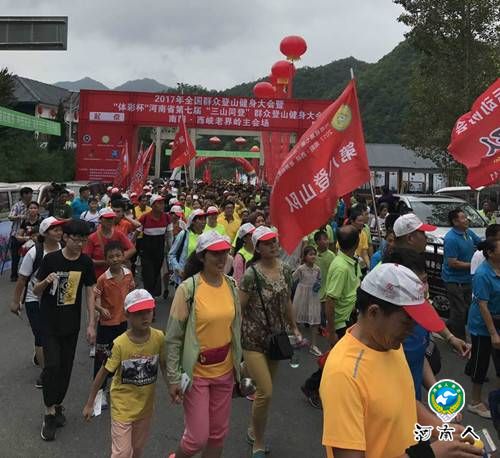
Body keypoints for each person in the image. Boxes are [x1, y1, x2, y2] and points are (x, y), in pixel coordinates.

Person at [320, 263, 482, 458]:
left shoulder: (390, 344)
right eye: (406, 322)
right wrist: (430, 454)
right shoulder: (343, 374)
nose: (411, 331)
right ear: (374, 312)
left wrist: (442, 429)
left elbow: (403, 401)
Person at [166, 231, 242, 458]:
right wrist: (172, 378)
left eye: (225, 253)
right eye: (215, 254)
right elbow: (173, 338)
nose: (221, 259)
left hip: (225, 371)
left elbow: (235, 329)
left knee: (218, 435)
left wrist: (241, 363)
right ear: (202, 256)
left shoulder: (231, 285)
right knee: (196, 439)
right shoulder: (187, 289)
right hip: (197, 373)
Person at [239, 226, 301, 458]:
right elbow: (240, 309)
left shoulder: (286, 270)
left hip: (276, 339)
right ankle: (259, 441)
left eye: (274, 241)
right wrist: (235, 342)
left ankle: (251, 427)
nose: (273, 246)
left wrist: (294, 326)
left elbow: (286, 302)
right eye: (267, 243)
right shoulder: (250, 274)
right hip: (253, 339)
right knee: (265, 391)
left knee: (263, 389)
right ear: (257, 248)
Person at [33, 219, 97, 442]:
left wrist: (91, 323)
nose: (79, 244)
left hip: (71, 324)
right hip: (49, 323)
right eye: (76, 239)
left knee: (66, 369)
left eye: (83, 240)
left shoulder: (86, 263)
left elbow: (90, 290)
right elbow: (36, 288)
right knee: (52, 366)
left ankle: (58, 405)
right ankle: (49, 412)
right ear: (65, 238)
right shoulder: (51, 259)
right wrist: (46, 281)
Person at [83, 289, 166, 458]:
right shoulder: (120, 344)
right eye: (138, 313)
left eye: (148, 311)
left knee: (137, 449)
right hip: (123, 407)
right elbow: (103, 372)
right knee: (122, 452)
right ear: (127, 315)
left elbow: (164, 364)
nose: (145, 317)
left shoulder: (159, 338)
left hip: (145, 407)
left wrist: (173, 386)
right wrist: (90, 402)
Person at [10, 217, 64, 388]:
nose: (59, 233)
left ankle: (41, 356)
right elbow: (22, 280)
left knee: (53, 333)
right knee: (40, 336)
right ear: (45, 232)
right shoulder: (35, 252)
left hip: (55, 299)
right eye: (55, 230)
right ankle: (45, 372)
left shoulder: (63, 249)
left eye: (60, 230)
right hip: (34, 299)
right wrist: (15, 301)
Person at [92, 241, 135, 410]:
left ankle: (115, 386)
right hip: (106, 324)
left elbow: (131, 294)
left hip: (122, 322)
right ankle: (99, 391)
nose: (115, 259)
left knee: (119, 354)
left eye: (118, 255)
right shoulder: (103, 279)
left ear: (123, 256)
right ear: (106, 259)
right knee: (102, 357)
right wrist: (101, 308)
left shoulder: (128, 274)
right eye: (111, 257)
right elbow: (95, 299)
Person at [466, 237, 500, 418]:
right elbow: (482, 306)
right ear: (490, 253)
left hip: (498, 320)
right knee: (481, 362)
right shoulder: (482, 274)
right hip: (483, 325)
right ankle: (475, 402)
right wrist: (493, 333)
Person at [442, 208, 482, 340]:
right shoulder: (451, 239)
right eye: (463, 218)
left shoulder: (468, 232)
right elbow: (453, 263)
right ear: (455, 221)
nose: (467, 220)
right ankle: (459, 340)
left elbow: (481, 244)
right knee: (459, 310)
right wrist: (473, 265)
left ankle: (447, 327)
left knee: (466, 308)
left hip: (467, 279)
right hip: (454, 280)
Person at [326, 225, 362, 346]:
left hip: (351, 318)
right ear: (357, 243)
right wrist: (331, 333)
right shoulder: (341, 268)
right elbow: (330, 300)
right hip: (341, 324)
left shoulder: (352, 260)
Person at [84, 208, 136, 279]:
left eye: (112, 218)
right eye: (107, 218)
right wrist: (105, 262)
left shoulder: (119, 234)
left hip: (117, 275)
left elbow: (132, 249)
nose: (110, 221)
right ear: (100, 220)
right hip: (99, 276)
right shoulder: (92, 238)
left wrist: (118, 259)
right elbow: (87, 259)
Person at [293, 246, 322, 356]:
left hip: (313, 296)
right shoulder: (301, 269)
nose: (313, 256)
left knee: (314, 320)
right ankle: (297, 340)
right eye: (310, 254)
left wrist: (317, 286)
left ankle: (313, 345)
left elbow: (319, 280)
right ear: (305, 257)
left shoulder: (318, 269)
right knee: (298, 319)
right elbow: (292, 279)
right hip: (301, 295)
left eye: (314, 254)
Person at [139, 195, 168, 297]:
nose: (162, 205)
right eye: (159, 203)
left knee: (155, 275)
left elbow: (169, 236)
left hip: (159, 253)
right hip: (146, 253)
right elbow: (136, 234)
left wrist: (169, 249)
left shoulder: (166, 217)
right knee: (148, 276)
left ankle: (152, 295)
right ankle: (149, 299)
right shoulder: (145, 218)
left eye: (163, 203)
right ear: (153, 205)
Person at [168, 209, 207, 286]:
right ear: (193, 221)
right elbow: (171, 254)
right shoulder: (184, 234)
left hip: (201, 276)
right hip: (184, 275)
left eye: (204, 219)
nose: (203, 222)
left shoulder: (205, 237)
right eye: (200, 219)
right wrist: (178, 269)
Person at [8, 186, 33, 281]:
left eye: (31, 194)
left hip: (28, 236)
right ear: (24, 195)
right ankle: (14, 275)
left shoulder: (32, 205)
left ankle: (27, 274)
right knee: (15, 257)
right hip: (16, 235)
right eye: (29, 194)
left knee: (29, 255)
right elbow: (10, 217)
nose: (31, 196)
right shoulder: (17, 206)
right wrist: (21, 216)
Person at [314, 230, 335, 336]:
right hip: (315, 285)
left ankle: (323, 327)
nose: (326, 242)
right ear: (317, 242)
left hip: (327, 285)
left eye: (327, 239)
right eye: (323, 239)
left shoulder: (331, 256)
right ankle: (317, 325)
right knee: (316, 308)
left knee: (323, 308)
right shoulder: (313, 254)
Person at [345, 207, 370, 273]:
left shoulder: (363, 234)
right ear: (352, 221)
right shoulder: (345, 233)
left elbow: (364, 253)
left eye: (362, 221)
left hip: (359, 265)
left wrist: (369, 266)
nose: (362, 223)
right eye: (359, 221)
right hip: (347, 265)